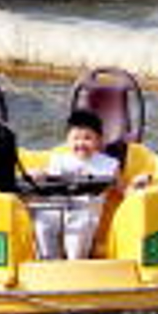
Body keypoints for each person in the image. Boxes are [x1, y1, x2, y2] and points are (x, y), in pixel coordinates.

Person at [30, 108, 140, 261]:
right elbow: (48, 179)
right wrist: (38, 175)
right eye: (75, 139)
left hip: (85, 211)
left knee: (78, 232)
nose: (81, 143)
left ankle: (76, 264)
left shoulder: (108, 165)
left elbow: (123, 190)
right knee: (43, 221)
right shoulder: (60, 159)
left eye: (87, 138)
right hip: (58, 207)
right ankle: (49, 261)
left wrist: (136, 185)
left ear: (99, 140)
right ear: (67, 141)